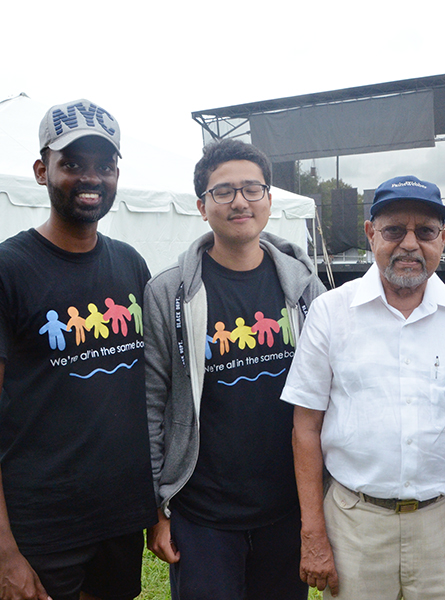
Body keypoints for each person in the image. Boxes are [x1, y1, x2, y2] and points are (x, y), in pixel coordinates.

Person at [281, 175, 445, 600]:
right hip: (354, 523)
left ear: (444, 237)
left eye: (426, 232)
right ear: (371, 233)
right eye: (395, 230)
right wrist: (313, 532)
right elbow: (305, 429)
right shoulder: (330, 313)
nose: (410, 245)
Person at [144, 139, 326, 600]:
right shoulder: (169, 293)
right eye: (223, 192)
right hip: (203, 515)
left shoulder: (306, 289)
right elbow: (151, 402)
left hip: (290, 510)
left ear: (268, 200)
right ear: (202, 206)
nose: (239, 201)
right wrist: (157, 508)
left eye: (252, 188)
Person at [0, 99, 157, 600]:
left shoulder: (130, 264)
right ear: (42, 170)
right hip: (41, 525)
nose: (92, 178)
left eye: (105, 166)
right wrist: (4, 549)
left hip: (119, 516)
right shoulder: (10, 269)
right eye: (73, 164)